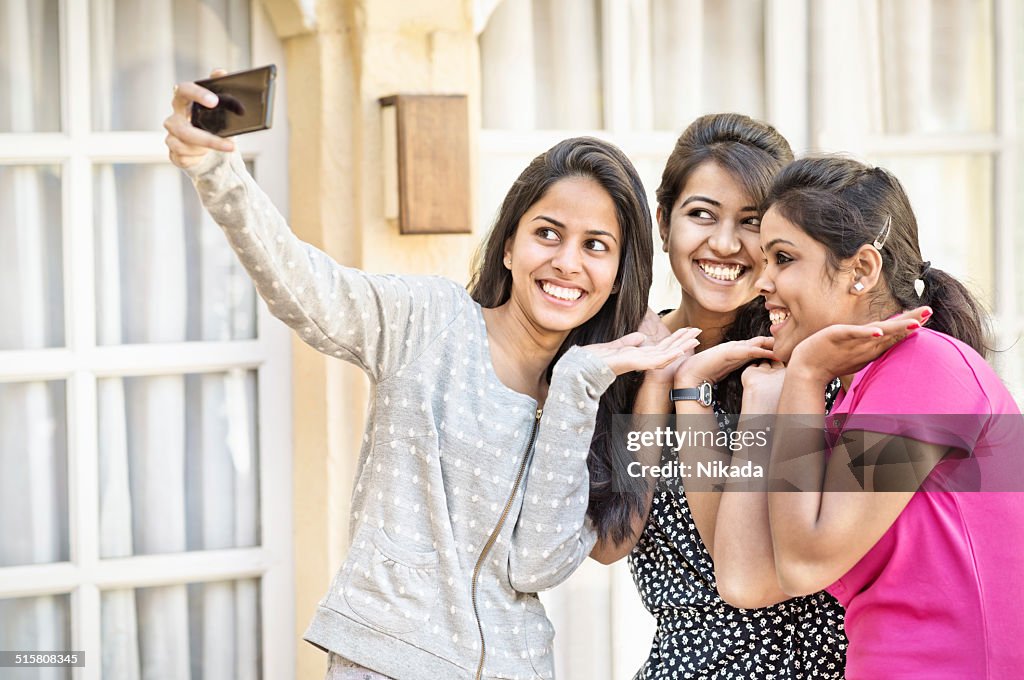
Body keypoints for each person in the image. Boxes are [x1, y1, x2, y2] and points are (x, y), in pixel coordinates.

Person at [164, 76, 700, 680]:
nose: (566, 262)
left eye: (595, 245)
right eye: (547, 233)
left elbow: (538, 566)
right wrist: (216, 174)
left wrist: (585, 382)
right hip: (387, 661)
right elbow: (306, 288)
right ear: (507, 246)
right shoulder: (432, 323)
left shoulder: (593, 389)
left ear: (616, 273)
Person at [734, 155, 1024, 678]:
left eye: (782, 258)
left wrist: (803, 377)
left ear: (862, 270)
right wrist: (761, 401)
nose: (762, 281)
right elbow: (748, 579)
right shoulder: (857, 396)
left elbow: (804, 563)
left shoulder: (927, 369)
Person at [589, 114, 846, 679]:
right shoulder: (621, 363)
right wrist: (660, 379)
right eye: (702, 214)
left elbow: (757, 559)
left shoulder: (813, 362)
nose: (725, 244)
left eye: (751, 223)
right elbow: (610, 542)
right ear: (663, 222)